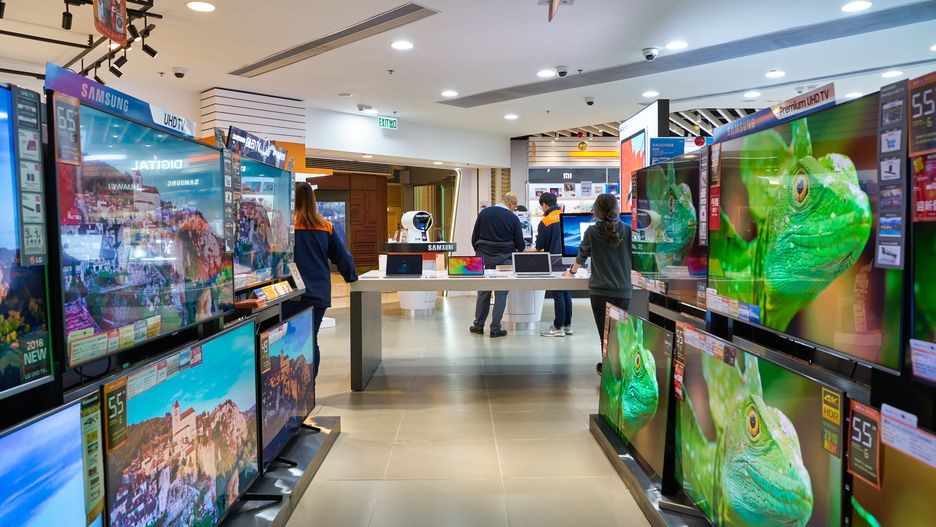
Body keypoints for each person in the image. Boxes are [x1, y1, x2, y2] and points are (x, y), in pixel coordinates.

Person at [285, 182, 358, 379]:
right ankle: (310, 386)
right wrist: (351, 277)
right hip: (318, 293)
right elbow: (343, 257)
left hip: (290, 294)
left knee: (289, 339)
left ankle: (292, 384)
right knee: (312, 339)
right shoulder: (325, 226)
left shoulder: (286, 226)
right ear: (312, 200)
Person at [564, 193, 633, 374]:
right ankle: (619, 368)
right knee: (619, 332)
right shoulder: (628, 230)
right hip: (623, 290)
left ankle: (609, 369)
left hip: (600, 291)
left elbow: (581, 256)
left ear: (596, 211)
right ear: (616, 209)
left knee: (605, 333)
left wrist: (571, 271)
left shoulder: (592, 232)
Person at [470, 192, 525, 338]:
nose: (514, 209)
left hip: (483, 257)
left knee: (483, 292)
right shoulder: (512, 218)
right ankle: (495, 328)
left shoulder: (484, 213)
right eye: (515, 207)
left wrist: (480, 251)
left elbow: (474, 238)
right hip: (504, 260)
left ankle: (478, 325)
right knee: (501, 294)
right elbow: (520, 245)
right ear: (511, 203)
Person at [535, 192, 572, 337]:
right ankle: (567, 325)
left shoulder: (545, 221)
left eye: (541, 206)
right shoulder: (566, 216)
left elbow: (539, 245)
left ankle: (558, 327)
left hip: (554, 261)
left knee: (558, 294)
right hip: (569, 261)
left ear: (545, 205)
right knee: (566, 292)